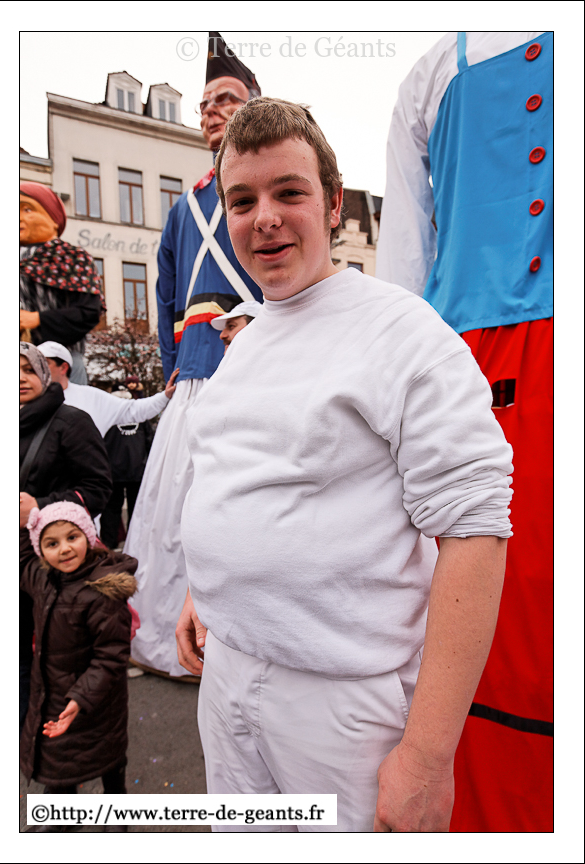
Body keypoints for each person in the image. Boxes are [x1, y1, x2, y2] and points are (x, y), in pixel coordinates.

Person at [175, 98, 513, 833]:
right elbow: (234, 482)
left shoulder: (403, 332)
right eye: (242, 201)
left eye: (288, 192)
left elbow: (477, 531)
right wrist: (210, 593)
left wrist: (427, 757)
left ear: (332, 205)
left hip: (340, 705)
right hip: (227, 674)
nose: (264, 217)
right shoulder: (247, 340)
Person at [374, 32, 552, 832]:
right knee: (484, 610)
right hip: (474, 367)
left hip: (477, 359)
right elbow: (403, 261)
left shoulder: (432, 73)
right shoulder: (430, 74)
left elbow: (402, 268)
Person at [124, 32, 264, 678]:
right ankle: (171, 642)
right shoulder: (183, 208)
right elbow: (166, 293)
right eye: (205, 103)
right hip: (196, 374)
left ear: (255, 104)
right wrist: (171, 365)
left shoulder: (266, 189)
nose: (212, 111)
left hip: (256, 370)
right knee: (176, 514)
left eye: (227, 99)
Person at [20, 502, 137, 833]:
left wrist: (80, 697)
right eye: (52, 543)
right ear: (40, 549)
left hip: (98, 697)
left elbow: (111, 655)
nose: (64, 549)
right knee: (58, 753)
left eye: (72, 537)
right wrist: (21, 521)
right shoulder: (43, 579)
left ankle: (117, 808)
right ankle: (63, 813)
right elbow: (20, 558)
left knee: (108, 751)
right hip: (53, 691)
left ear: (88, 536)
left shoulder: (102, 592)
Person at [19, 342, 112, 732]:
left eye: (27, 369)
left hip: (50, 566)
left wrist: (39, 508)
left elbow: (98, 489)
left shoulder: (71, 421)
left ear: (45, 373)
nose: (19, 379)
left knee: (49, 659)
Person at [20, 182, 105, 385]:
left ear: (53, 219)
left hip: (60, 361)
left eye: (27, 209)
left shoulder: (72, 257)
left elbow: (88, 312)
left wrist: (37, 319)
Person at [37, 341, 178, 438]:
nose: (37, 368)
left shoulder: (90, 397)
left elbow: (133, 410)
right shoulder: (29, 398)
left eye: (44, 363)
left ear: (63, 367)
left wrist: (165, 396)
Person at [100, 388, 155, 550]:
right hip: (132, 470)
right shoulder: (136, 416)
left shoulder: (107, 416)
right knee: (133, 510)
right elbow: (150, 442)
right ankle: (132, 544)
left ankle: (111, 544)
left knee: (115, 510)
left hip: (116, 471)